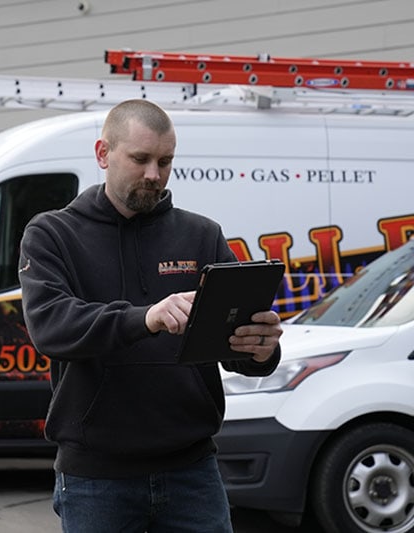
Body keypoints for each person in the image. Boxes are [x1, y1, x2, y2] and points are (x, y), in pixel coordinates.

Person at [18, 99, 283, 533]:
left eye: (165, 161)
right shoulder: (52, 235)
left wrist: (260, 348)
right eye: (140, 159)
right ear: (103, 154)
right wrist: (145, 318)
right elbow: (51, 326)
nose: (154, 175)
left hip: (192, 472)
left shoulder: (202, 235)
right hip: (95, 478)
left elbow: (233, 346)